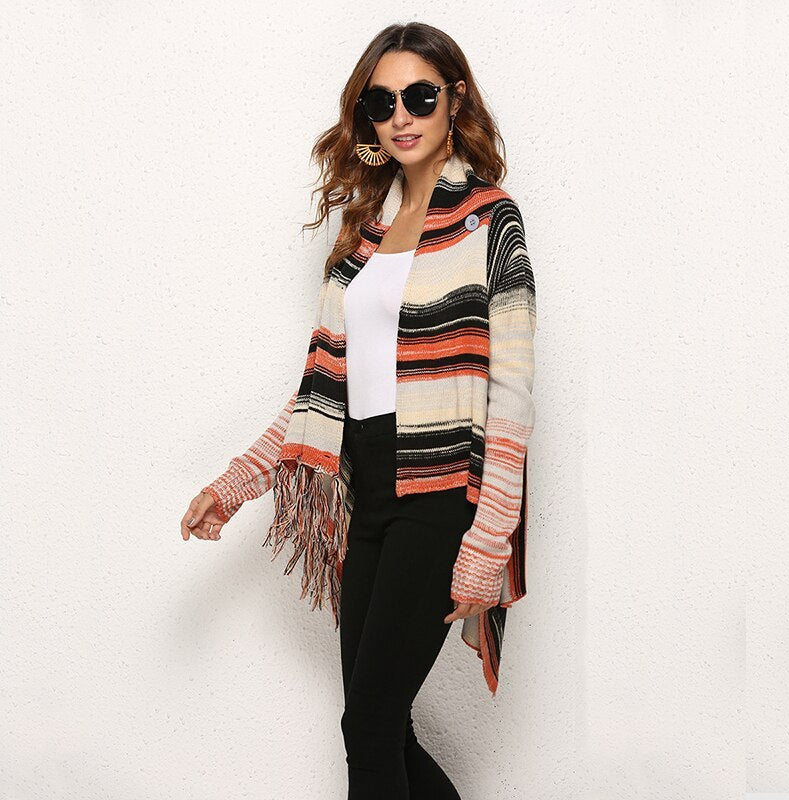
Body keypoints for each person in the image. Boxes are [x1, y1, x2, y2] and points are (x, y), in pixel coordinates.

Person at [180, 21, 536, 800]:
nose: (401, 116)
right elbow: (324, 391)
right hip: (366, 497)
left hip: (441, 496)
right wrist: (235, 484)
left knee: (368, 730)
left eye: (420, 97)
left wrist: (489, 540)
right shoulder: (366, 236)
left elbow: (511, 395)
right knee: (380, 727)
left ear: (455, 100)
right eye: (382, 102)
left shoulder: (488, 218)